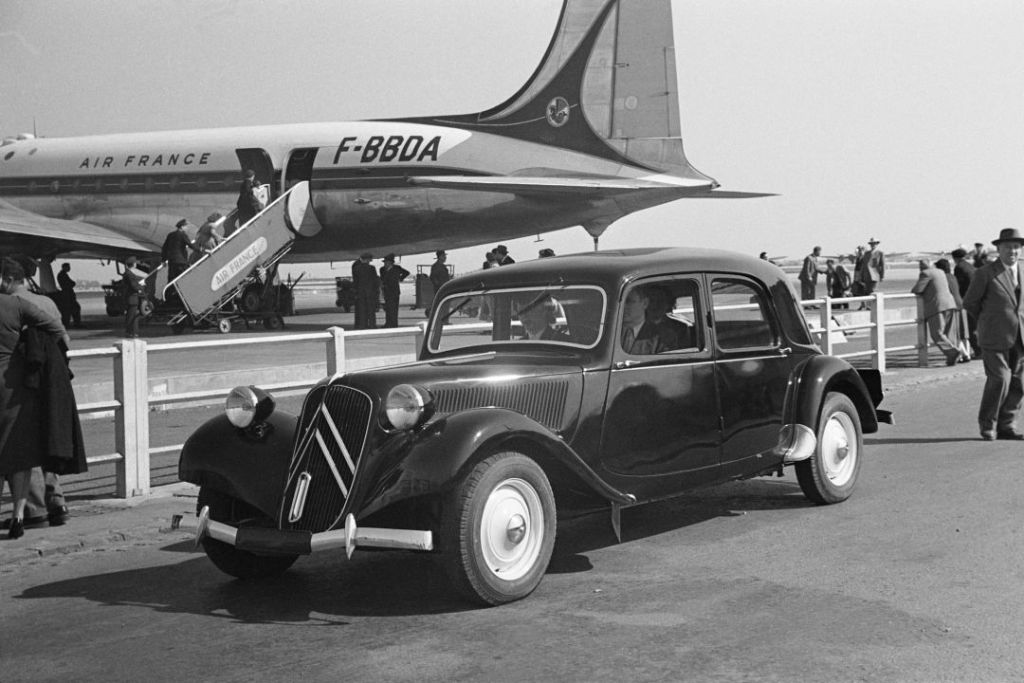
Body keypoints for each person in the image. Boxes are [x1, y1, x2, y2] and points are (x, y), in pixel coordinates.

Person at [0, 257, 74, 539]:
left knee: (22, 445)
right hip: (52, 381)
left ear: (7, 279)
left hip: (24, 381)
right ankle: (57, 503)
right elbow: (59, 331)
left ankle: (35, 511)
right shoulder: (45, 301)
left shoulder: (12, 304)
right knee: (50, 437)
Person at [962, 228, 1024, 441]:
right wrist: (987, 321)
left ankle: (1007, 425)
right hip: (994, 336)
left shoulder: (1023, 272)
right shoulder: (986, 273)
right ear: (998, 249)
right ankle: (988, 424)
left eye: (1016, 247)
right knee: (1000, 379)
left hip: (1021, 338)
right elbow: (970, 303)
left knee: (1019, 383)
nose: (1012, 251)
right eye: (1008, 247)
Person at [911, 259, 965, 367]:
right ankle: (951, 359)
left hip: (937, 306)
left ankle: (953, 352)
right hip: (950, 303)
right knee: (950, 333)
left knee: (937, 333)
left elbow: (917, 289)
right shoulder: (940, 272)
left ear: (922, 267)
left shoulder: (925, 273)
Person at [934, 258, 970, 362]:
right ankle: (966, 354)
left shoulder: (943, 278)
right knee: (964, 334)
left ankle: (964, 354)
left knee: (954, 334)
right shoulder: (953, 277)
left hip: (952, 306)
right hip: (961, 304)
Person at [620, 287, 670, 354]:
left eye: (628, 301)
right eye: (620, 302)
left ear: (645, 303)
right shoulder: (609, 333)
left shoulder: (662, 337)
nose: (623, 306)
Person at [952, 247, 980, 357]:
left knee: (969, 327)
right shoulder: (970, 266)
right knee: (976, 326)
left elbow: (959, 285)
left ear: (955, 258)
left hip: (967, 300)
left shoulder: (959, 268)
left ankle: (978, 351)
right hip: (977, 299)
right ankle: (979, 350)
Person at [379, 253, 410, 328]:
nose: (385, 263)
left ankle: (393, 324)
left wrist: (400, 278)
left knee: (394, 309)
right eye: (384, 262)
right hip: (386, 291)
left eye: (386, 262)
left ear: (390, 262)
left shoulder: (397, 268)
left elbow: (406, 273)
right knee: (387, 308)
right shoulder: (382, 269)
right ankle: (388, 323)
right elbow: (382, 278)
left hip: (394, 291)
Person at [122, 256, 149, 338]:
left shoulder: (128, 273)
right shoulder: (129, 274)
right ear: (134, 264)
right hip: (132, 298)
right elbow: (134, 285)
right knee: (132, 316)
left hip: (131, 298)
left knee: (132, 316)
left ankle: (132, 332)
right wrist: (141, 287)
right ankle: (131, 332)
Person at [351, 252, 379, 329]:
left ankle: (363, 325)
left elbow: (355, 282)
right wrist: (376, 291)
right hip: (370, 292)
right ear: (367, 260)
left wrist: (356, 292)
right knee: (371, 311)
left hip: (360, 293)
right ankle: (372, 325)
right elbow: (375, 281)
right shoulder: (372, 268)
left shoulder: (356, 268)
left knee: (362, 311)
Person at [56, 262, 82, 328]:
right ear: (65, 267)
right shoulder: (63, 275)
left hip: (66, 294)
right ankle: (76, 324)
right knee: (74, 309)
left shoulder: (62, 274)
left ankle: (68, 324)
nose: (69, 268)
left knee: (69, 310)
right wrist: (72, 284)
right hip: (68, 295)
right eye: (68, 267)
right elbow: (71, 283)